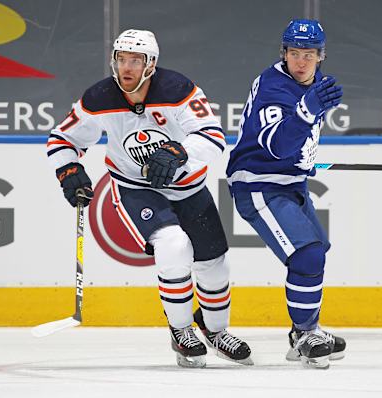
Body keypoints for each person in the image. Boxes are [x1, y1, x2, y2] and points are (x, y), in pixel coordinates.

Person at [47, 29, 252, 368]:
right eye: (121, 59)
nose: (126, 68)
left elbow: (213, 137)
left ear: (151, 64)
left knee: (215, 264)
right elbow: (62, 139)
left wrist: (178, 152)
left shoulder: (178, 90)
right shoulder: (99, 97)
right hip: (135, 187)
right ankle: (181, 329)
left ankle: (216, 332)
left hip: (188, 188)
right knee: (173, 244)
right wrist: (68, 170)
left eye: (135, 60)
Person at [226, 19, 346, 369]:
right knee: (307, 254)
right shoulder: (272, 86)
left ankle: (302, 331)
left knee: (317, 252)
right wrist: (306, 112)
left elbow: (297, 146)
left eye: (309, 54)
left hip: (289, 183)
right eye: (295, 53)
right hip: (258, 184)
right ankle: (306, 333)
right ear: (284, 53)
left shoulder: (317, 84)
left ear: (321, 56)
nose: (301, 61)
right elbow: (277, 146)